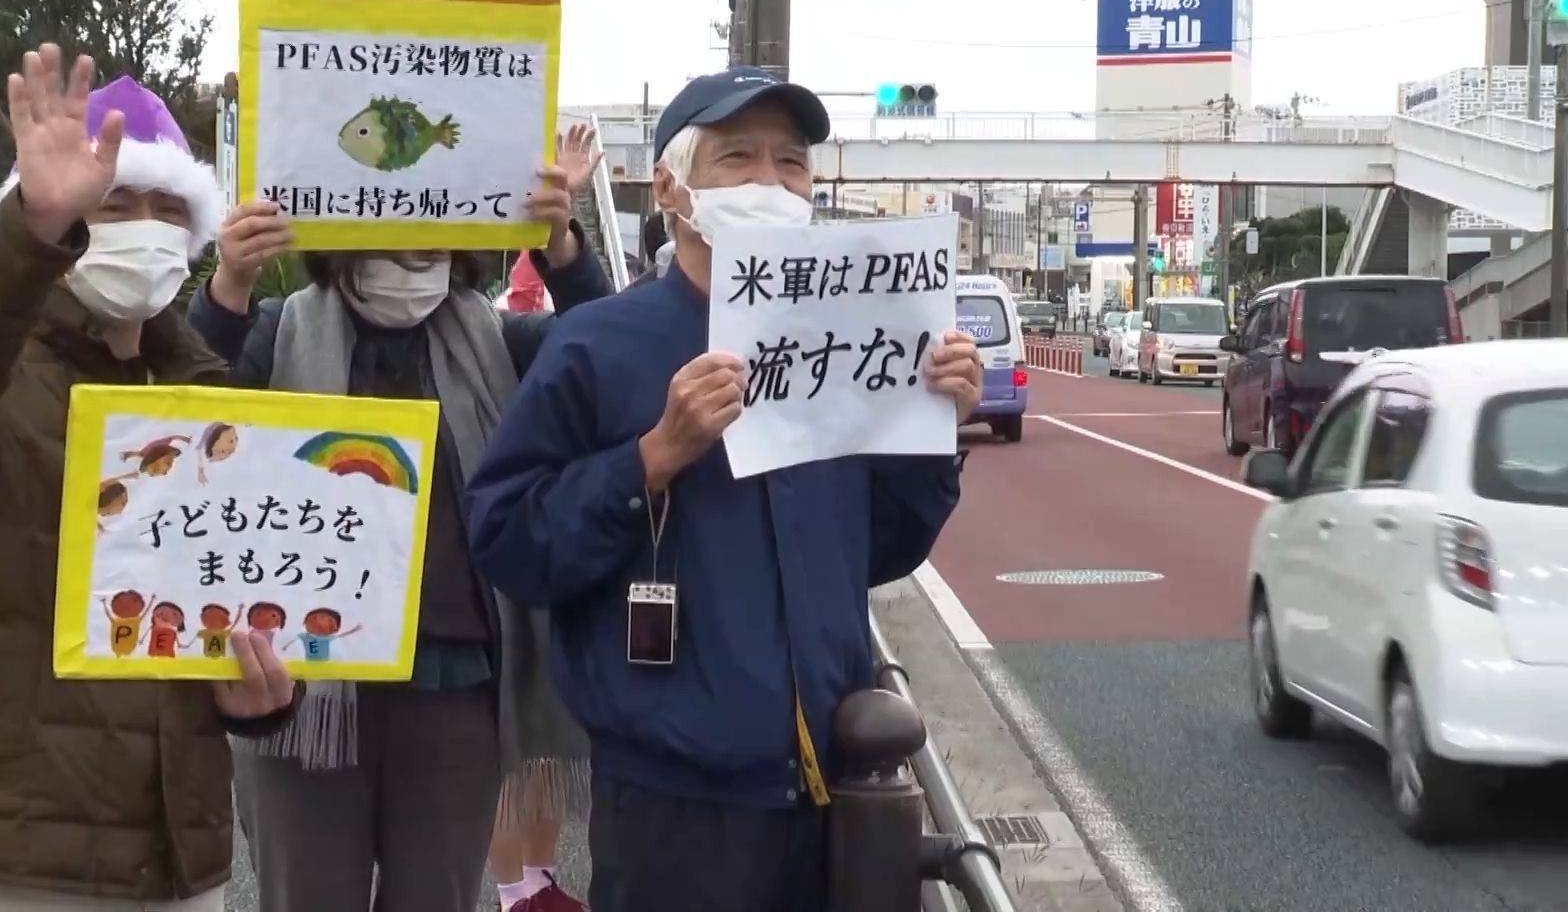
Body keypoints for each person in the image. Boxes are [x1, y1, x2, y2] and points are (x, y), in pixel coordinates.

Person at [463, 67, 983, 912]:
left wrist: (935, 435)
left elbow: (878, 550)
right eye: (738, 158)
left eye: (791, 162)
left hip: (833, 787)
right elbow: (506, 538)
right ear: (670, 190)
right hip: (669, 804)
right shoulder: (598, 343)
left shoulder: (848, 340)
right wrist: (651, 457)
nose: (770, 182)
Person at [0, 45, 297, 911]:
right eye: (114, 203)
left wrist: (260, 695)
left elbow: (234, 597)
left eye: (169, 209)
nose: (143, 225)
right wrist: (26, 233)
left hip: (177, 858)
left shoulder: (209, 402)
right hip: (8, 861)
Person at [187, 123, 610, 912]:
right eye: (388, 228)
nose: (413, 250)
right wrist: (229, 286)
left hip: (456, 687)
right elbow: (179, 407)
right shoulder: (278, 332)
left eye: (433, 233)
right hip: (300, 688)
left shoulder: (500, 341)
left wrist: (562, 243)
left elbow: (609, 355)